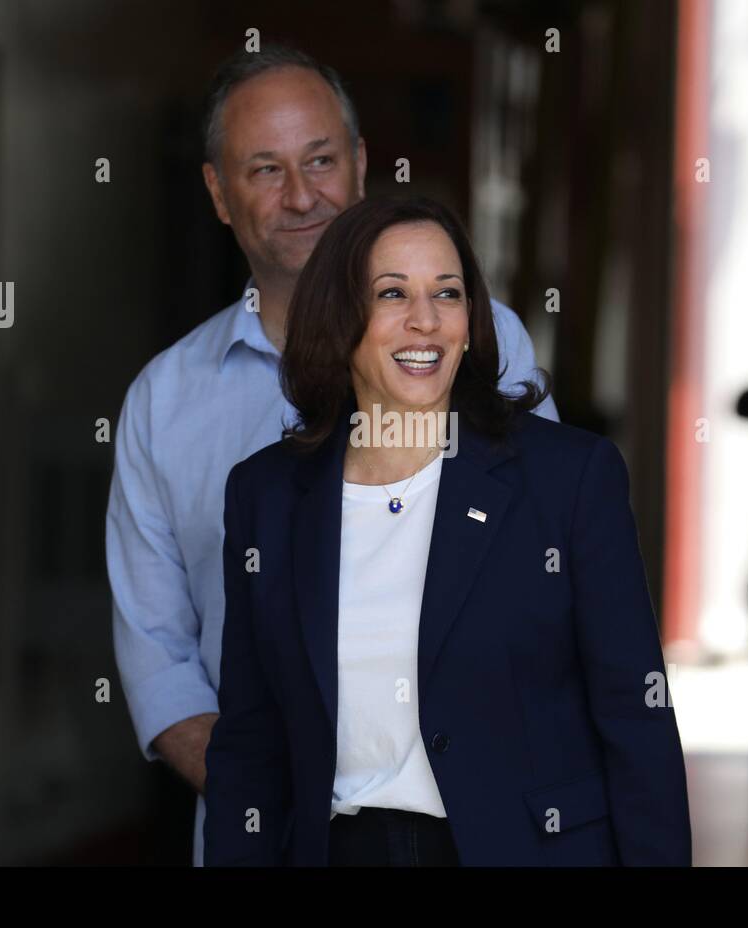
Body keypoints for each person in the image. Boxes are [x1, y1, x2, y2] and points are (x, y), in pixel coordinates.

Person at [106, 45, 557, 866]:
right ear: (217, 191)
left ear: (358, 164)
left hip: (479, 833)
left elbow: (550, 588)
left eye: (320, 161)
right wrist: (281, 799)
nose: (302, 195)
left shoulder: (485, 343)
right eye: (265, 170)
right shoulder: (164, 404)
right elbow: (158, 660)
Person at [204, 196, 691, 866]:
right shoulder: (266, 497)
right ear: (339, 316)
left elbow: (636, 717)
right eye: (392, 293)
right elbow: (250, 746)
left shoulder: (568, 479)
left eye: (448, 293)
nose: (426, 321)